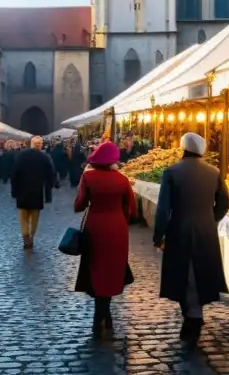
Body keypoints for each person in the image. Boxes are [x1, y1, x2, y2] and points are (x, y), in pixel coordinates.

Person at [153, 132, 229, 342]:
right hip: (206, 230)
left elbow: (163, 209)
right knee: (201, 272)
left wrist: (158, 235)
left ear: (183, 148)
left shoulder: (171, 172)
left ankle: (192, 317)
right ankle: (194, 315)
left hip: (179, 229)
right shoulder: (213, 172)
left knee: (183, 274)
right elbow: (225, 200)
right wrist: (212, 218)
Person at [73, 140, 136, 338]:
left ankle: (99, 316)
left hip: (95, 227)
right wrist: (120, 218)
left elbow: (79, 205)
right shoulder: (123, 179)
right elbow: (131, 209)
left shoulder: (88, 177)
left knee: (96, 267)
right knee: (112, 269)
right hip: (117, 228)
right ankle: (105, 314)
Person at [10, 136, 56, 250]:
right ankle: (31, 236)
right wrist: (48, 194)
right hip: (37, 191)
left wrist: (14, 191)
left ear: (31, 144)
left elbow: (14, 174)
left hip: (22, 191)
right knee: (34, 217)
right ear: (40, 145)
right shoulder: (44, 157)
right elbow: (50, 175)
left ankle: (25, 235)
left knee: (23, 216)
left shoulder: (21, 156)